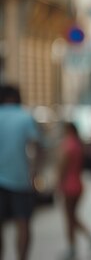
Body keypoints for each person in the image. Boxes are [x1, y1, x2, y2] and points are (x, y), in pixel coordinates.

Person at [0, 85, 43, 260]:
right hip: (20, 178)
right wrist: (34, 173)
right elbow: (36, 147)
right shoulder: (25, 117)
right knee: (23, 222)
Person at [57, 122, 91, 260]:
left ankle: (73, 246)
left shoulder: (68, 145)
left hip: (69, 185)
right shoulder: (78, 144)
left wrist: (58, 182)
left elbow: (63, 166)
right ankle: (88, 238)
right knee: (72, 216)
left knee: (69, 218)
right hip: (78, 183)